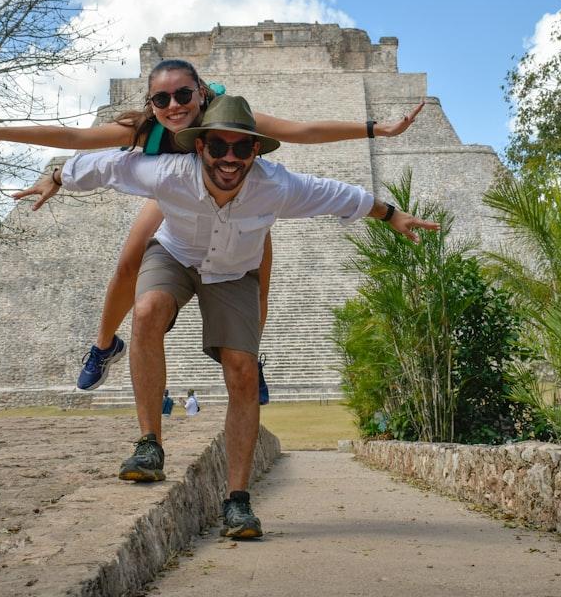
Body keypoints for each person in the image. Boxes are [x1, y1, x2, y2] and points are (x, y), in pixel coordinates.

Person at [27, 94, 439, 539]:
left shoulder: (276, 186)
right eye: (218, 147)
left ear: (256, 151)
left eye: (242, 148)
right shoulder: (168, 171)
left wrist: (392, 214)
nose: (229, 158)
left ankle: (238, 501)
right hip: (176, 254)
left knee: (242, 371)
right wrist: (56, 175)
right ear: (199, 147)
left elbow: (337, 194)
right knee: (146, 311)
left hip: (233, 272)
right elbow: (107, 166)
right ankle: (149, 445)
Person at [0, 59, 423, 393]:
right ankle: (103, 345)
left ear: (202, 93)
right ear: (151, 101)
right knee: (129, 263)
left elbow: (302, 131)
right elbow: (77, 140)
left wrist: (372, 129)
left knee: (257, 273)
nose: (174, 106)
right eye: (162, 98)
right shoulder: (146, 129)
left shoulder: (232, 121)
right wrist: (1, 135)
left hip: (238, 200)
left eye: (183, 95)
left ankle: (249, 357)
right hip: (173, 193)